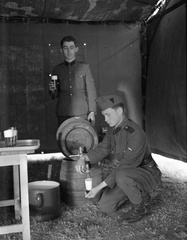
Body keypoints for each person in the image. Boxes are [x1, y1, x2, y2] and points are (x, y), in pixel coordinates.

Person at [75, 95, 162, 223]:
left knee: (122, 176)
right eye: (104, 115)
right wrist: (84, 158)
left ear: (120, 111)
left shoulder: (135, 134)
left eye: (108, 115)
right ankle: (133, 191)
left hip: (146, 173)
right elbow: (103, 148)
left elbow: (125, 167)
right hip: (128, 174)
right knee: (105, 205)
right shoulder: (113, 129)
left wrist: (98, 187)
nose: (105, 119)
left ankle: (141, 205)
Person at [49, 36, 97, 127]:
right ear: (61, 50)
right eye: (65, 48)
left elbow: (91, 91)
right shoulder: (57, 69)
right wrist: (52, 89)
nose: (69, 51)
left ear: (76, 49)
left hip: (82, 112)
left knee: (83, 139)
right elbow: (54, 95)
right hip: (63, 113)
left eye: (71, 47)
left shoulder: (84, 67)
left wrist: (92, 111)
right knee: (64, 140)